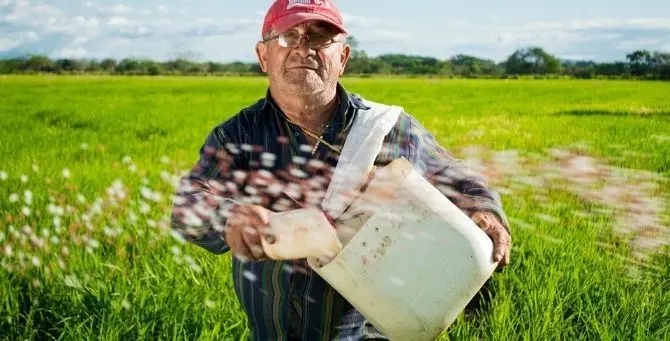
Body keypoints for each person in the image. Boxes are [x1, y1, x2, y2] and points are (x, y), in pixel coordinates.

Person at [171, 0, 512, 340]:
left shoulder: (384, 129)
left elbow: (455, 176)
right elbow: (188, 204)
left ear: (343, 58)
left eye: (320, 38)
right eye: (288, 37)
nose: (304, 48)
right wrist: (229, 217)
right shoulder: (238, 135)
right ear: (264, 56)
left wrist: (483, 208)